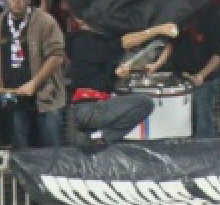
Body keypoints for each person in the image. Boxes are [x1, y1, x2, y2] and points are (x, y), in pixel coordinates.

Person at [0, 0, 67, 148]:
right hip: (15, 98)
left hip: (45, 97)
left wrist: (34, 83)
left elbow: (57, 56)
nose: (17, 2)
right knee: (21, 154)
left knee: (52, 152)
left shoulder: (44, 21)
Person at [66, 14, 165, 144]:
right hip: (91, 108)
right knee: (145, 103)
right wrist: (158, 30)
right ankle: (102, 137)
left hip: (89, 108)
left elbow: (95, 74)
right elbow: (123, 42)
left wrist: (116, 74)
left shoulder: (94, 45)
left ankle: (99, 138)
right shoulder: (83, 40)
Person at [147, 0, 220, 138]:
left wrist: (202, 75)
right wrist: (157, 64)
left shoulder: (218, 18)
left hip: (206, 79)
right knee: (186, 119)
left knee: (203, 119)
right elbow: (171, 43)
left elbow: (219, 54)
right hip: (182, 77)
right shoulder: (182, 16)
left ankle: (205, 149)